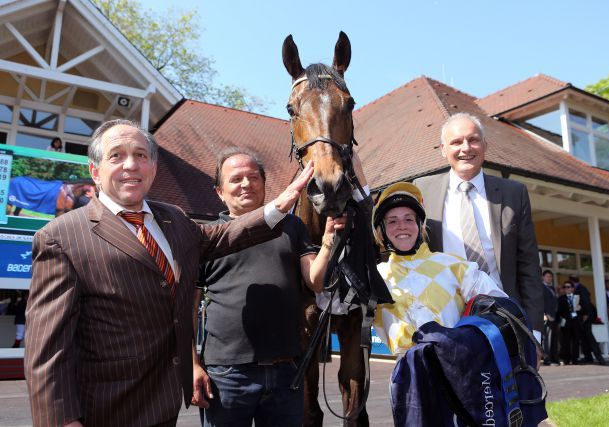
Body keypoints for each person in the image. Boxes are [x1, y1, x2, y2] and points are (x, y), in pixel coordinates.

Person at [24, 119, 312, 427]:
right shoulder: (61, 237)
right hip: (104, 409)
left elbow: (221, 238)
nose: (131, 165)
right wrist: (62, 421)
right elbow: (47, 350)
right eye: (116, 156)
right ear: (95, 172)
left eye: (141, 155)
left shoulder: (172, 218)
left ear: (153, 168)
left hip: (162, 404)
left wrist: (279, 206)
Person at [192, 148, 351, 426]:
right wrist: (193, 364)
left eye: (253, 177)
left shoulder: (291, 226)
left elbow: (315, 281)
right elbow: (187, 307)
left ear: (265, 184)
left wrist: (328, 240)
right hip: (227, 374)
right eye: (236, 178)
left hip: (286, 369)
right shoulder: (209, 237)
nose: (246, 184)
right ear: (219, 191)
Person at [414, 112, 543, 338]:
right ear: (444, 149)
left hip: (503, 319)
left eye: (473, 140)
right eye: (456, 142)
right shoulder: (422, 191)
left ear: (485, 145)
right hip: (443, 320)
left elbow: (529, 267)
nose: (466, 148)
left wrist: (535, 333)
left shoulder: (513, 194)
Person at [371, 182, 507, 356]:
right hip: (408, 377)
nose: (402, 226)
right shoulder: (375, 277)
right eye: (392, 221)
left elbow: (500, 306)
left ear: (420, 225)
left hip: (460, 372)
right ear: (381, 231)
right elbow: (335, 306)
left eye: (409, 219)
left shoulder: (455, 266)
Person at [569, 274, 605, 364]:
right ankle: (588, 357)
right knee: (584, 337)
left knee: (589, 336)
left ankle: (599, 357)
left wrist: (585, 314)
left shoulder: (581, 289)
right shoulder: (580, 288)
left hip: (586, 316)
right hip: (583, 316)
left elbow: (586, 302)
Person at [557, 281, 581, 365]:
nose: (566, 289)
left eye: (568, 287)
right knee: (566, 341)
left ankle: (575, 358)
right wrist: (559, 322)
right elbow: (558, 311)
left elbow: (583, 309)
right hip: (566, 322)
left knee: (576, 341)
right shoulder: (561, 298)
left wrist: (580, 308)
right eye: (565, 287)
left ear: (572, 288)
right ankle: (566, 359)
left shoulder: (577, 298)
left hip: (575, 322)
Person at [541, 270, 560, 365]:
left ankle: (554, 358)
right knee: (547, 338)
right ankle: (547, 358)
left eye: (550, 277)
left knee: (554, 338)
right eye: (547, 276)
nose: (549, 278)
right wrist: (545, 314)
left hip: (554, 316)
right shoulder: (541, 287)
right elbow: (541, 301)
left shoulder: (552, 288)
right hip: (546, 316)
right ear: (543, 277)